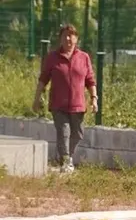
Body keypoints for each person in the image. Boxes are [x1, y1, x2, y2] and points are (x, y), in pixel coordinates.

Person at [32, 23, 97, 173]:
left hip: (78, 105)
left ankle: (67, 156)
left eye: (71, 35)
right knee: (64, 132)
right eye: (65, 35)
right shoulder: (53, 58)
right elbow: (43, 79)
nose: (68, 38)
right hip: (58, 104)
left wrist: (94, 98)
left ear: (76, 38)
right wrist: (36, 99)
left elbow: (90, 80)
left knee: (78, 134)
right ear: (60, 39)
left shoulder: (83, 57)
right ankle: (66, 161)